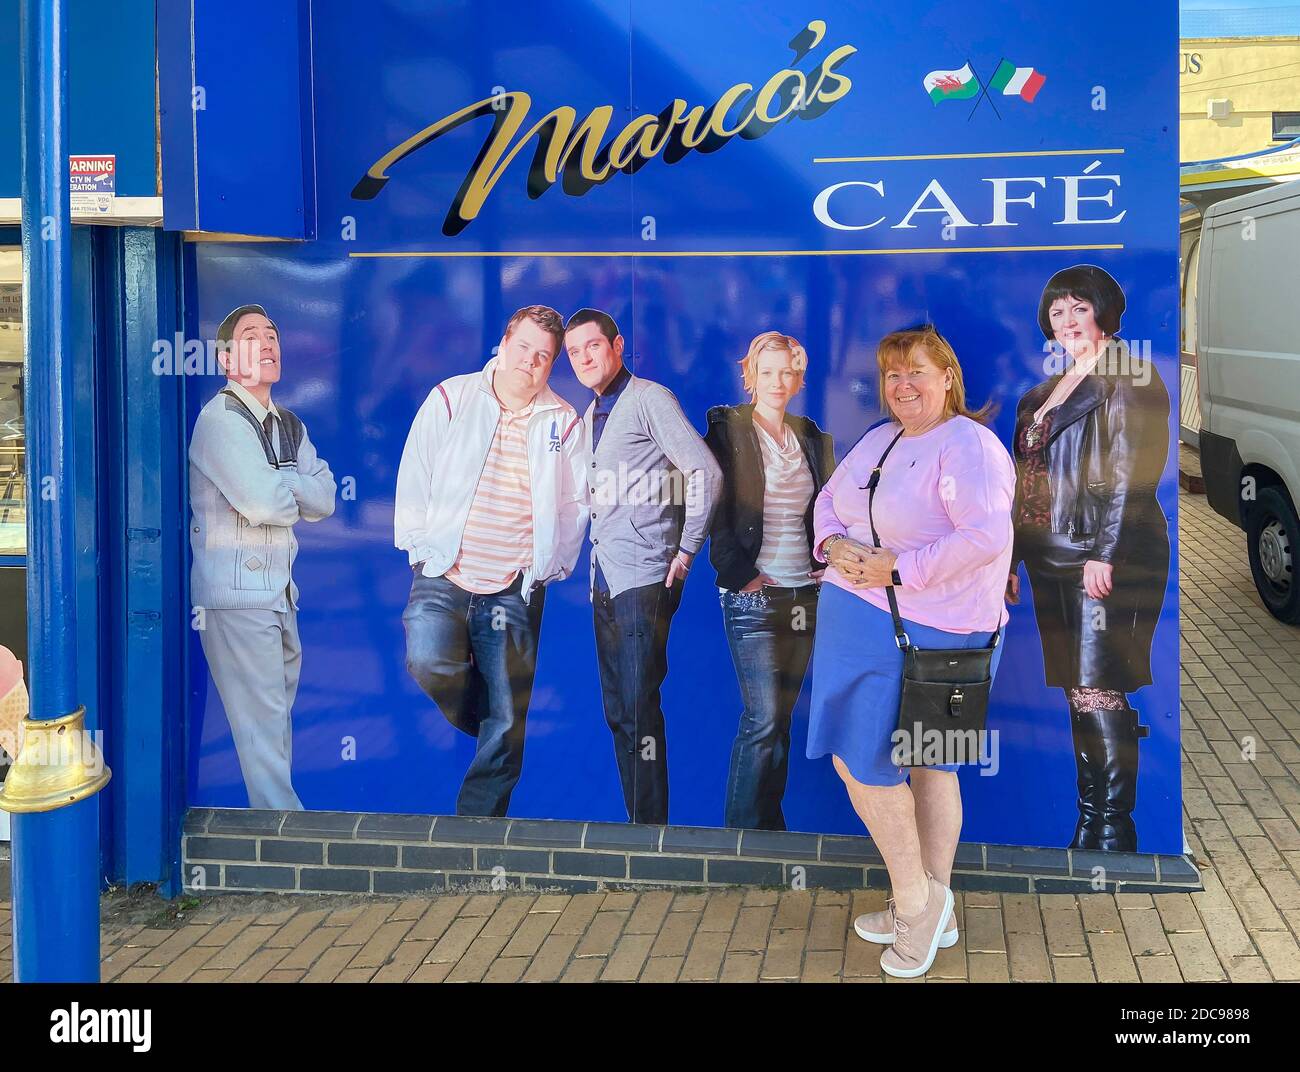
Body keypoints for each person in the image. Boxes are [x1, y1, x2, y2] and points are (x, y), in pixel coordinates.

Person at [807, 325, 1014, 978]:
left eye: (917, 372)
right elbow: (826, 504)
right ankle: (931, 911)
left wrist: (899, 570)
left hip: (930, 633)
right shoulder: (880, 438)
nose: (903, 386)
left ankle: (917, 906)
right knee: (886, 762)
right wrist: (834, 548)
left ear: (948, 376)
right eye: (893, 375)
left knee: (903, 765)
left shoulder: (969, 446)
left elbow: (985, 535)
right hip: (860, 624)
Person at [395, 305, 587, 817]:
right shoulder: (451, 398)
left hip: (513, 585)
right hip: (445, 572)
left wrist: (550, 565)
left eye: (543, 356)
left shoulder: (564, 421)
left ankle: (476, 828)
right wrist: (420, 548)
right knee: (428, 661)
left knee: (509, 714)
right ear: (503, 344)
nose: (531, 362)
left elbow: (575, 503)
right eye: (524, 348)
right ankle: (495, 720)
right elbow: (416, 470)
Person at [1008, 265, 1170, 852]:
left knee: (1099, 685)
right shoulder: (1041, 393)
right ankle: (1092, 823)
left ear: (1103, 312)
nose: (1068, 320)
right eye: (1057, 312)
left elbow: (1133, 471)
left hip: (1107, 558)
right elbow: (1024, 482)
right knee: (1077, 687)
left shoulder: (1128, 374)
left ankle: (1110, 831)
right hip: (1050, 559)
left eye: (1079, 308)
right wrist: (1009, 562)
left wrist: (1105, 554)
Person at [565, 308, 721, 825]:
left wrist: (686, 550)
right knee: (619, 712)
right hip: (605, 580)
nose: (584, 359)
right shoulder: (590, 415)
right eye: (574, 352)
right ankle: (641, 830)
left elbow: (704, 471)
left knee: (637, 708)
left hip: (645, 580)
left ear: (616, 345)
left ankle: (651, 840)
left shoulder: (648, 399)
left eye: (593, 346)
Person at [189, 304, 337, 810]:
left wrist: (286, 484)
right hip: (237, 597)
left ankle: (276, 838)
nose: (268, 342)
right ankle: (286, 841)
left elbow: (325, 499)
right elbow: (262, 503)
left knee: (273, 723)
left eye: (273, 334)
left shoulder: (287, 422)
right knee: (263, 725)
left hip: (277, 594)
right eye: (253, 336)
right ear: (228, 359)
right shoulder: (220, 420)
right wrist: (293, 486)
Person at [704, 331, 834, 831]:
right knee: (761, 720)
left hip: (805, 592)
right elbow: (711, 506)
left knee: (780, 719)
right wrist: (739, 574)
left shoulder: (810, 435)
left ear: (798, 379)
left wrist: (826, 558)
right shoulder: (728, 431)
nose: (777, 381)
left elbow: (827, 507)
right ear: (750, 376)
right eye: (767, 371)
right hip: (754, 597)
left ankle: (768, 831)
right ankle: (739, 838)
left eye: (787, 372)